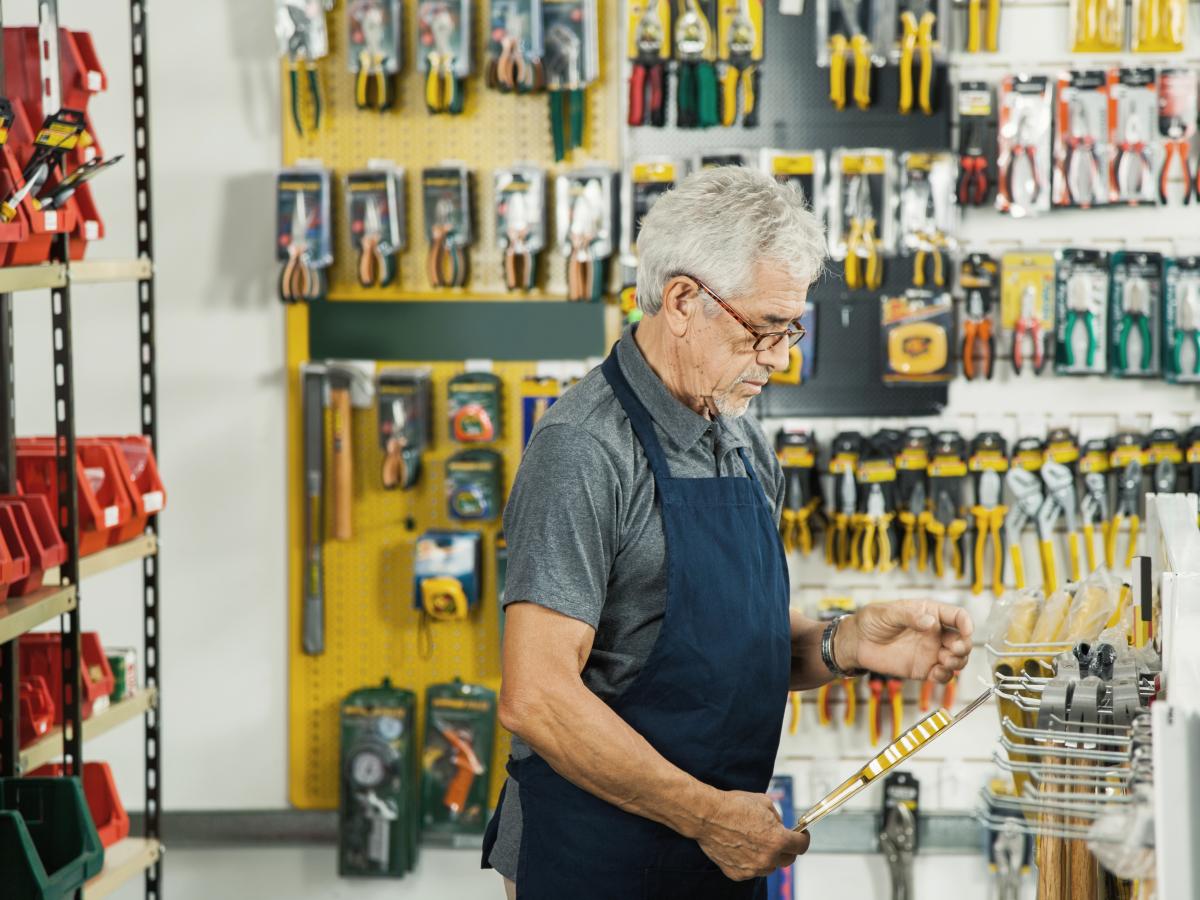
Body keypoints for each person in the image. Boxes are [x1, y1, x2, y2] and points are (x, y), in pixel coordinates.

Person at [480, 167, 974, 899]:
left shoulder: (741, 439)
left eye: (789, 330)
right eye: (762, 331)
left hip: (716, 861)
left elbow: (719, 644)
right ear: (682, 301)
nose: (779, 358)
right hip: (598, 864)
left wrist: (847, 642)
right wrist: (707, 815)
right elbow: (537, 694)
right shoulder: (583, 450)